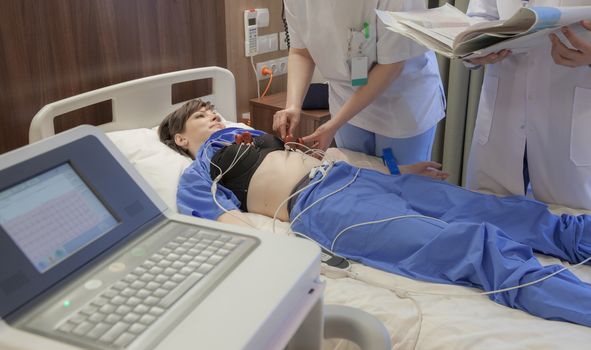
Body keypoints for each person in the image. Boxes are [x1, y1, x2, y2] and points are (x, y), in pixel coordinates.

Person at [160, 99, 591, 327]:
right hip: (324, 206)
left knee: (493, 208)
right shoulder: (199, 173)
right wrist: (282, 255)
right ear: (181, 138)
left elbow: (322, 156)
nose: (212, 114)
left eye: (212, 109)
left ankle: (577, 237)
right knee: (474, 245)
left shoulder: (254, 135)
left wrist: (400, 170)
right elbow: (224, 222)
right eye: (200, 115)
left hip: (356, 178)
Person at [272, 0, 446, 165]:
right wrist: (293, 105)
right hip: (346, 103)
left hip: (401, 103)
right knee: (354, 181)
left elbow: (392, 66)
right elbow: (301, 52)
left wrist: (334, 125)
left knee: (399, 186)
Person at [465, 0, 591, 210]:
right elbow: (479, 17)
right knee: (488, 217)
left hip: (568, 118)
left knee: (568, 229)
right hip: (503, 110)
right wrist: (473, 49)